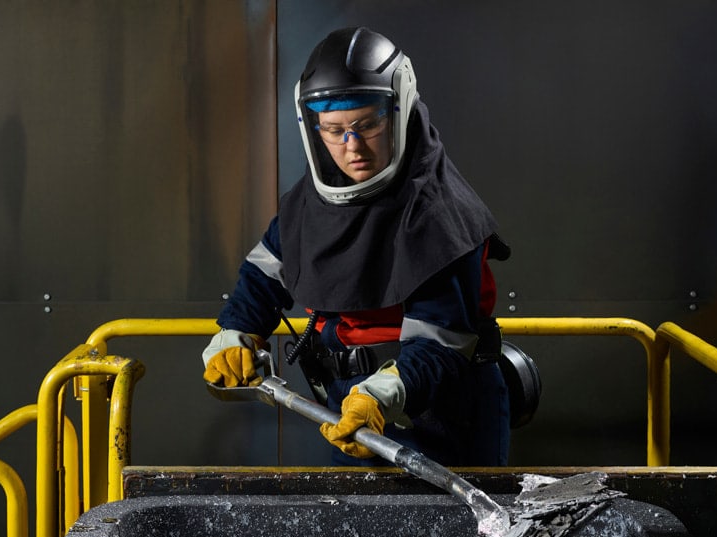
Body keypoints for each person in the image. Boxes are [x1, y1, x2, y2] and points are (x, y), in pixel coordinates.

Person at [202, 26, 511, 467]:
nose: (352, 148)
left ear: (398, 113)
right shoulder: (313, 202)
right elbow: (266, 271)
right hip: (351, 401)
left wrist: (381, 393)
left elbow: (441, 344)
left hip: (440, 407)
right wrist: (236, 331)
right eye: (333, 130)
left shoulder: (441, 215)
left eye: (367, 124)